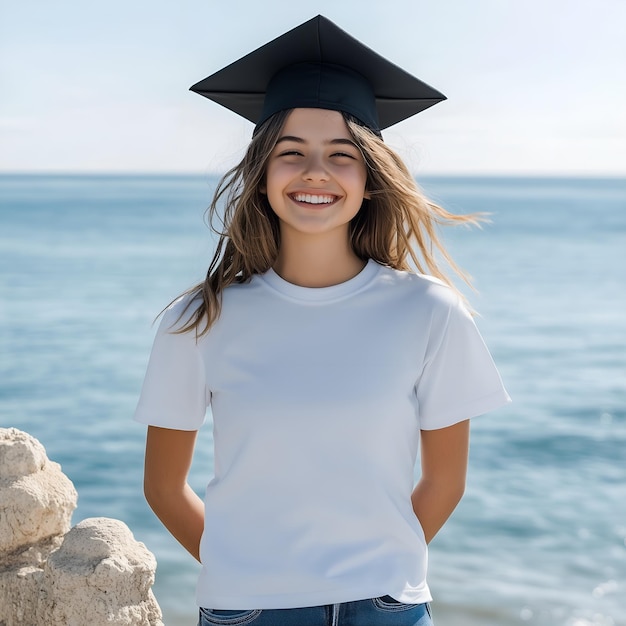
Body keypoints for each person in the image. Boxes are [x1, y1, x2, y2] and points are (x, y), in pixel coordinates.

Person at [134, 15, 510, 626]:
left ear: (370, 178)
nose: (316, 172)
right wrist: (246, 572)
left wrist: (385, 571)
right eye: (291, 154)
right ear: (261, 175)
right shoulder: (197, 321)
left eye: (342, 155)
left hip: (388, 606)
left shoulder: (429, 311)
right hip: (247, 609)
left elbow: (445, 482)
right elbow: (163, 487)